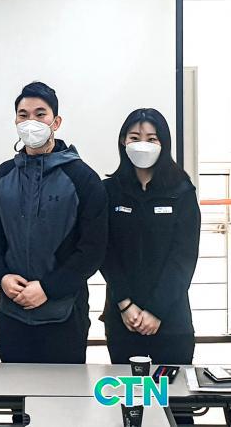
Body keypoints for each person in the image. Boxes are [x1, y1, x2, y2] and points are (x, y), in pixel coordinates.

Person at [0, 82, 107, 364]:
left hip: (64, 315)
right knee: (14, 389)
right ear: (16, 121)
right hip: (11, 313)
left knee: (63, 391)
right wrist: (1, 277)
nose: (31, 122)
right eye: (23, 115)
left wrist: (49, 288)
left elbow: (92, 249)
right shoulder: (2, 176)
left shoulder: (83, 178)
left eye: (40, 114)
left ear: (56, 122)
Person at [101, 108, 199, 365]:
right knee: (129, 389)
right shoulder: (109, 191)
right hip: (123, 319)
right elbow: (106, 253)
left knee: (170, 390)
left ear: (163, 143)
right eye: (134, 138)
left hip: (171, 320)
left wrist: (156, 310)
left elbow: (184, 257)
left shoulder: (182, 191)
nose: (142, 144)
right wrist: (125, 305)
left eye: (151, 138)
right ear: (123, 141)